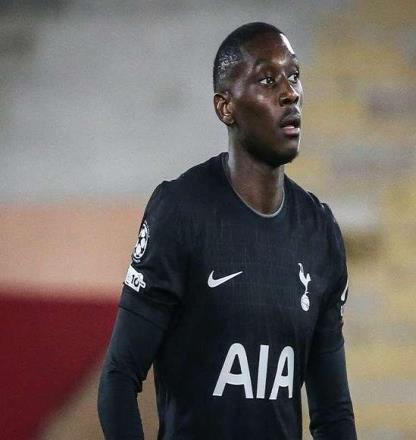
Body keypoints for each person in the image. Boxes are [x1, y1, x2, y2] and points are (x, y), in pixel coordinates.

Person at [98, 22, 356, 439]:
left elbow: (333, 413)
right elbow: (119, 377)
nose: (290, 93)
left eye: (293, 75)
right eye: (268, 80)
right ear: (226, 108)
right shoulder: (181, 211)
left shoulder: (320, 231)